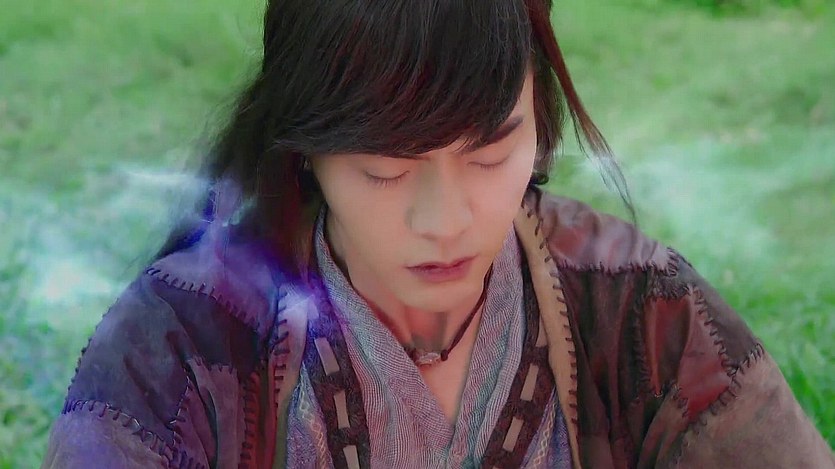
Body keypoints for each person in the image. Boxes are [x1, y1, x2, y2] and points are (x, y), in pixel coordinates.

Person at [42, 1, 833, 468]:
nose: (445, 220)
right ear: (306, 151)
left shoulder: (640, 311)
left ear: (537, 124)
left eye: (489, 155)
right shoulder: (177, 339)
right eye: (384, 170)